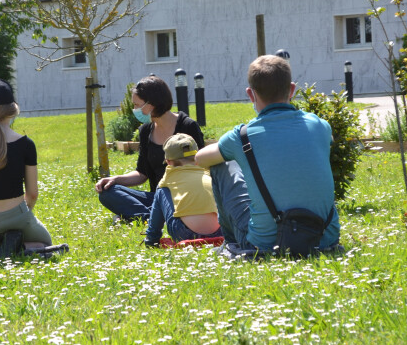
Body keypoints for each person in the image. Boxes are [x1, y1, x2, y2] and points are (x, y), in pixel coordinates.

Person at [195, 55, 341, 254]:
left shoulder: (242, 136)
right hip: (324, 239)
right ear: (291, 89)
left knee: (222, 164)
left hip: (265, 243)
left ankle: (231, 245)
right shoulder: (320, 126)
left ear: (250, 94)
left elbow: (200, 158)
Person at [0, 79, 67, 258]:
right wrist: (19, 214)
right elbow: (32, 194)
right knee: (46, 243)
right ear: (12, 109)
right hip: (16, 217)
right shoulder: (25, 144)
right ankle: (17, 247)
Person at [95, 76, 204, 221]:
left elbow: (202, 166)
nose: (134, 110)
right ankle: (152, 217)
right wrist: (114, 179)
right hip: (157, 197)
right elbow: (142, 173)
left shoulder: (188, 126)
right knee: (108, 193)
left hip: (184, 196)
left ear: (151, 104)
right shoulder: (145, 130)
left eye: (136, 105)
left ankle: (145, 216)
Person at [143, 133, 222, 246]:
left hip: (185, 234)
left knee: (161, 190)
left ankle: (151, 238)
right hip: (220, 232)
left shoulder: (169, 176)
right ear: (197, 155)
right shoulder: (208, 171)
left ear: (168, 162)